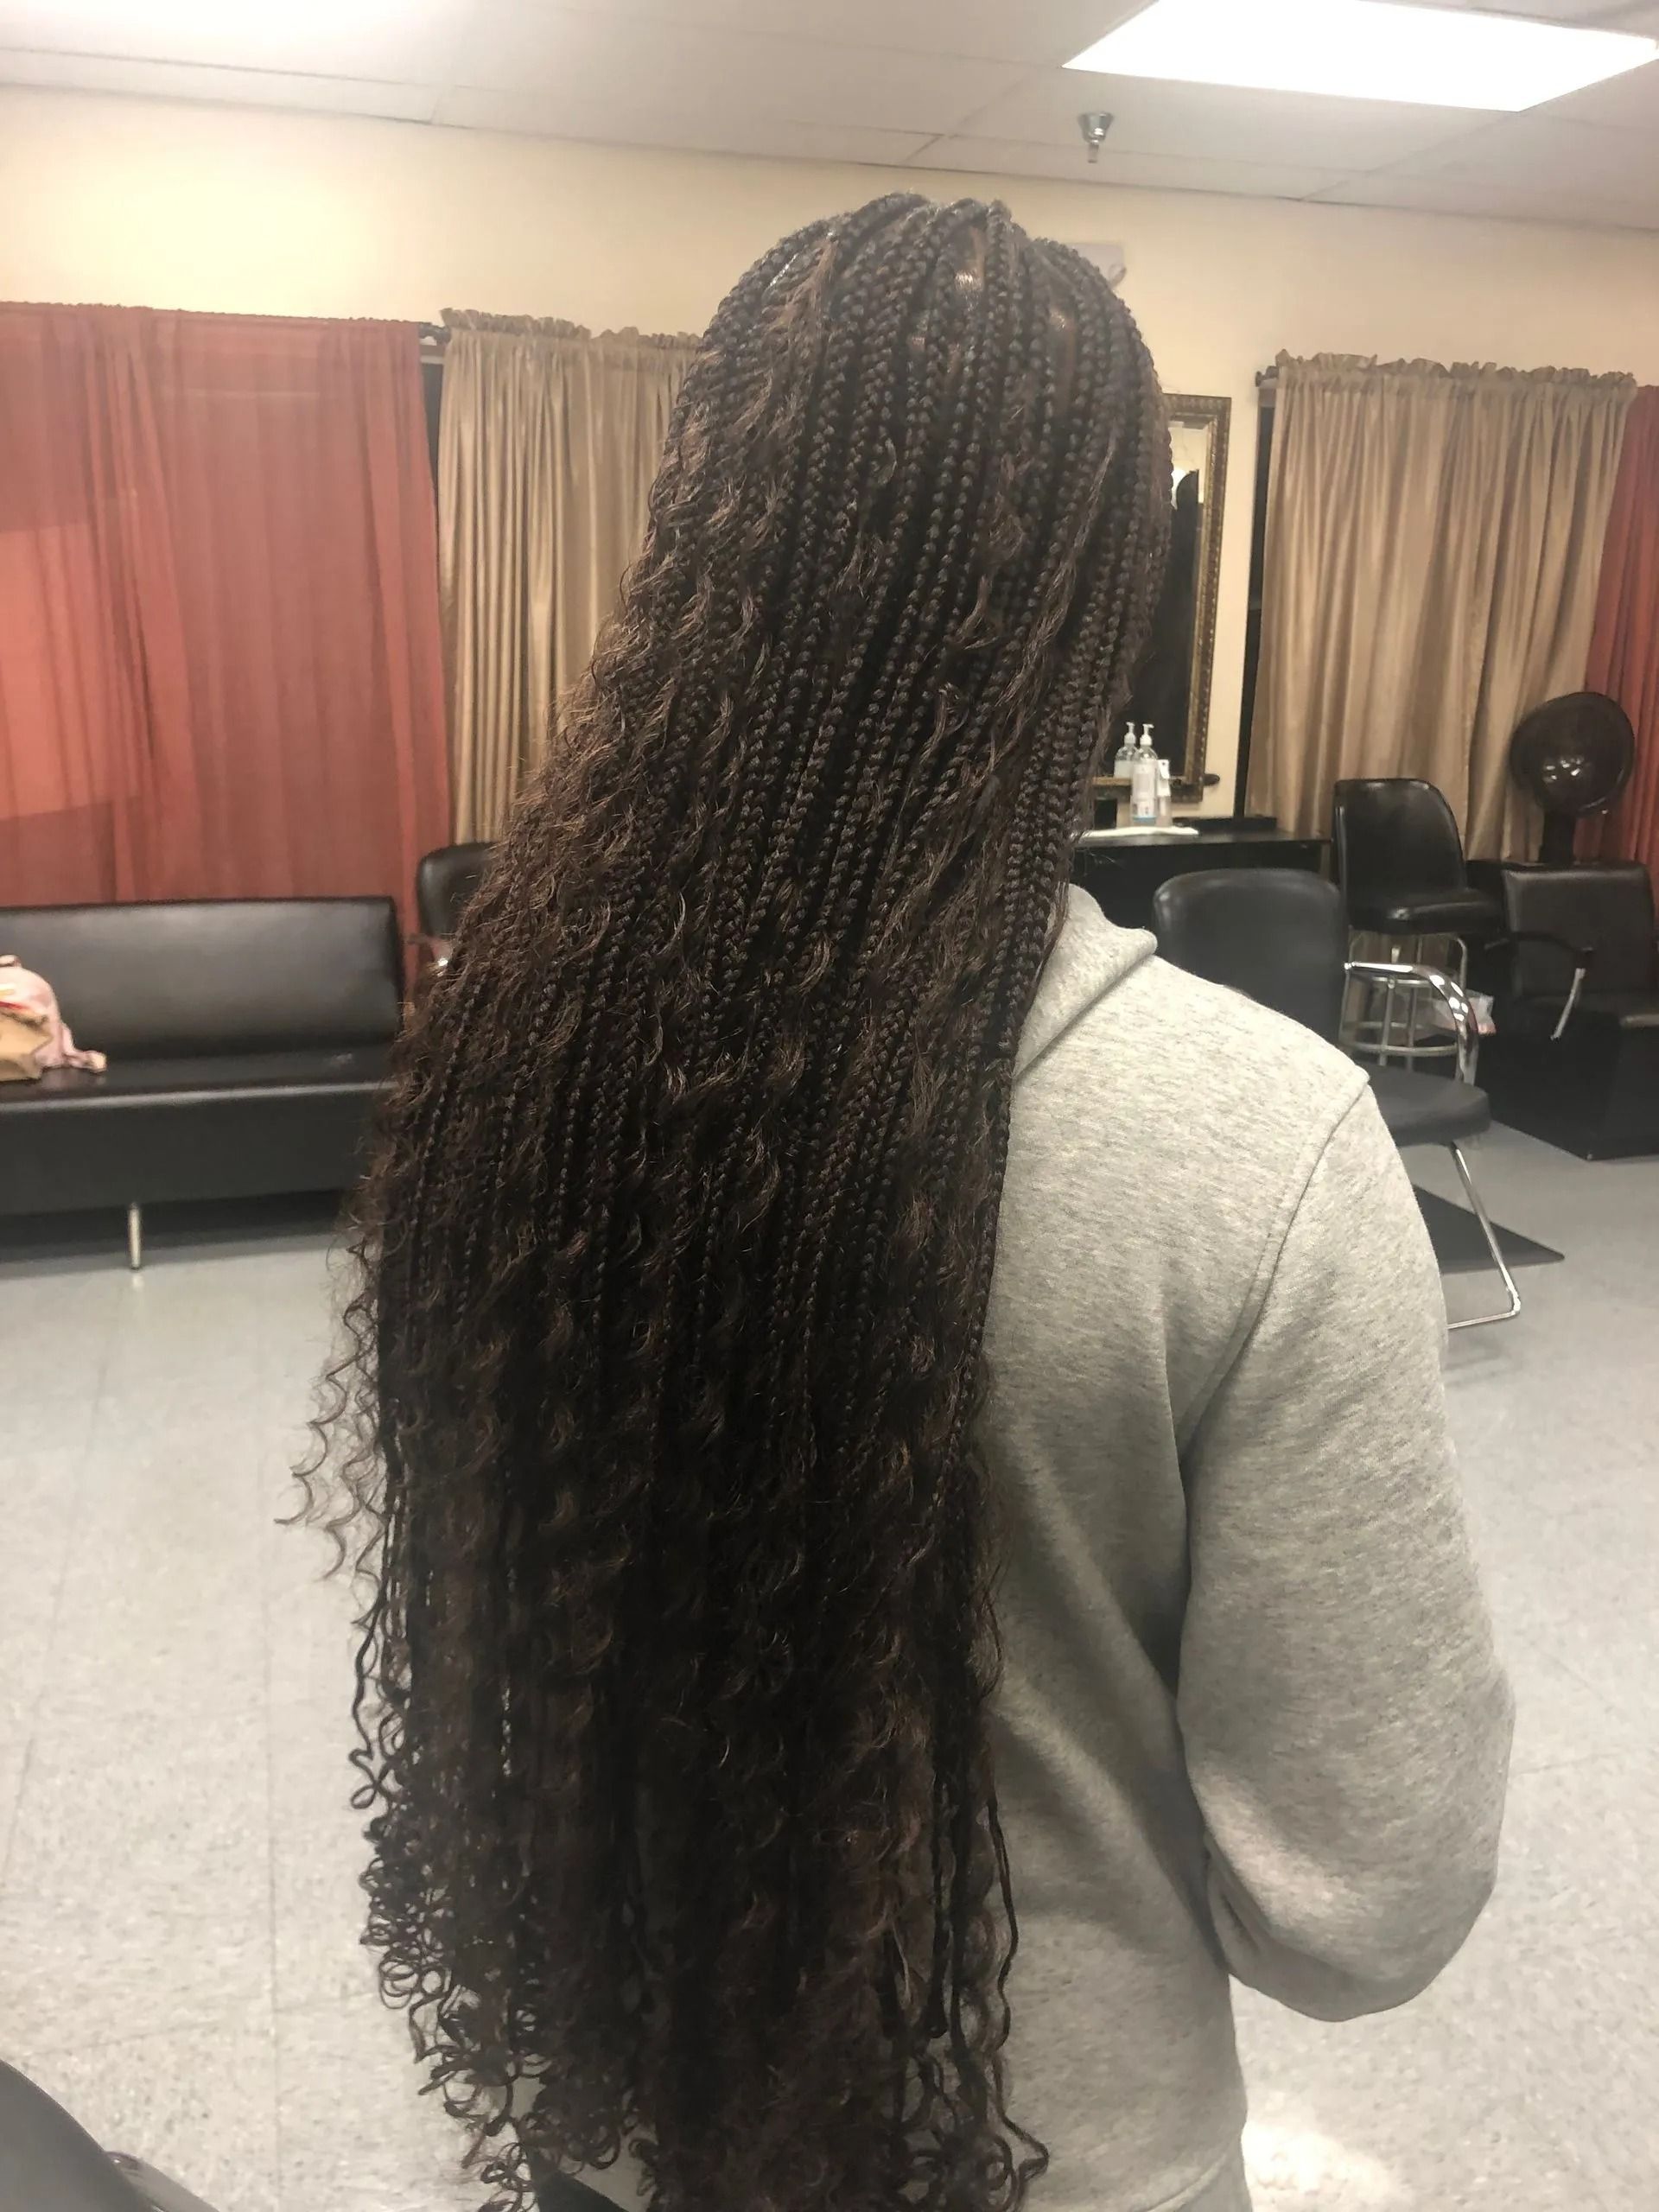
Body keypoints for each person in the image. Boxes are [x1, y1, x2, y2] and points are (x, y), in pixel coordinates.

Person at [305, 194, 1510, 2212]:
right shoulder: (1255, 1144)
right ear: (1096, 603)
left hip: (618, 2115)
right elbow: (1361, 1895)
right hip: (1050, 2154)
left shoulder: (514, 1048)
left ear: (706, 537)